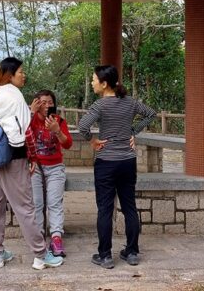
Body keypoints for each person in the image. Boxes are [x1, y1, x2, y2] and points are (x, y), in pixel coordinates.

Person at [0, 57, 64, 270]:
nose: (24, 75)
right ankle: (41, 255)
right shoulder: (14, 95)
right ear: (10, 75)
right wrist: (32, 157)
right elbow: (25, 133)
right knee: (25, 207)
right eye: (21, 72)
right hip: (12, 158)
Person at [78, 64, 157, 269]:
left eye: (94, 79)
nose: (92, 83)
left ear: (104, 84)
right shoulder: (130, 102)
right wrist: (133, 132)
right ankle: (132, 252)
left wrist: (92, 141)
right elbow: (151, 114)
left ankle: (105, 256)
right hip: (127, 161)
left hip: (106, 162)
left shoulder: (100, 105)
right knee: (129, 207)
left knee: (105, 209)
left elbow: (83, 126)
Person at [25, 89, 73, 257]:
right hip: (35, 167)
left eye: (50, 102)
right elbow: (20, 135)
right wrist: (30, 114)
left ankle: (56, 237)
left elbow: (68, 144)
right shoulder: (29, 120)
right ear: (35, 104)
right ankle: (39, 238)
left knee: (54, 203)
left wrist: (57, 131)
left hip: (55, 167)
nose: (46, 106)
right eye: (42, 102)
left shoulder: (59, 121)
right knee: (37, 203)